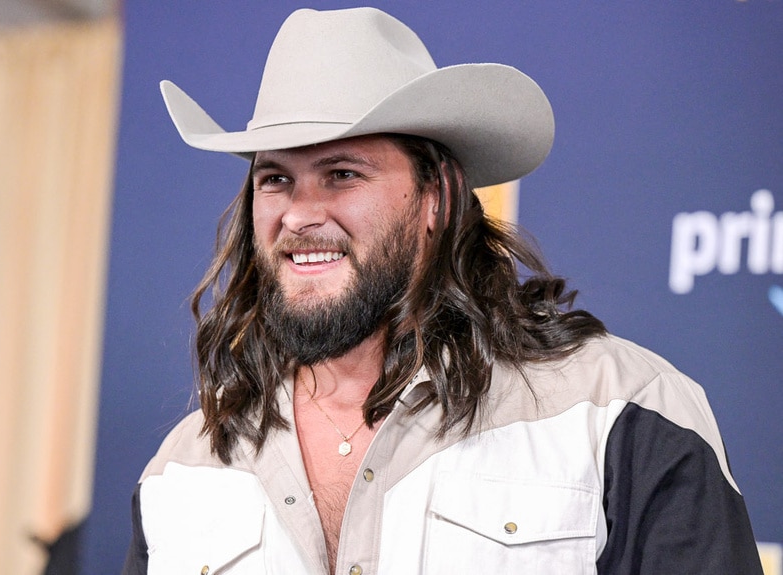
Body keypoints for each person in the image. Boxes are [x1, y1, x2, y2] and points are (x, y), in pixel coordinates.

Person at [123, 7, 762, 574]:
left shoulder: (623, 411)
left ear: (436, 197)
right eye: (275, 180)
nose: (298, 214)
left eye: (342, 174)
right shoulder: (180, 472)